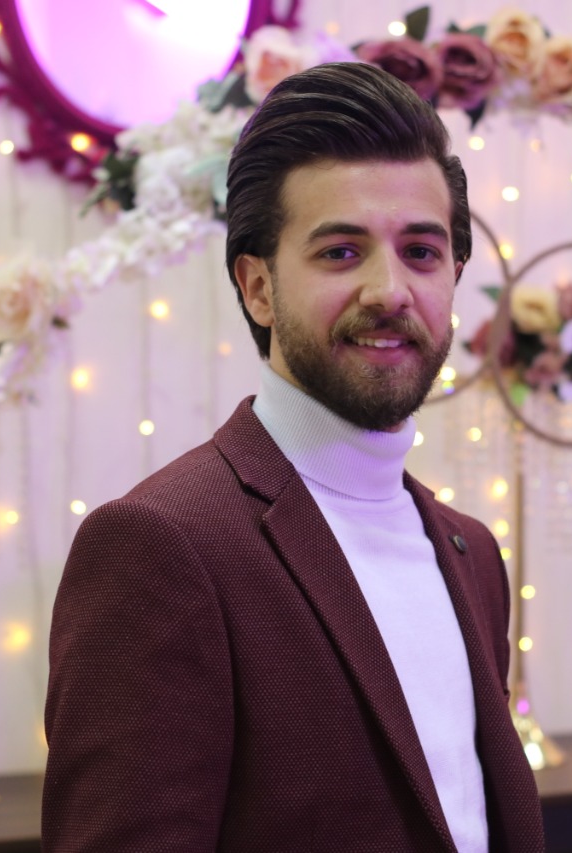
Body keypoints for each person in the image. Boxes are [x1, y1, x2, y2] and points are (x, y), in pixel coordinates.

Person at [42, 62, 545, 852]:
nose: (390, 290)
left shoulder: (471, 551)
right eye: (341, 252)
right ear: (257, 287)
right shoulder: (160, 545)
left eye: (421, 251)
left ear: (453, 276)